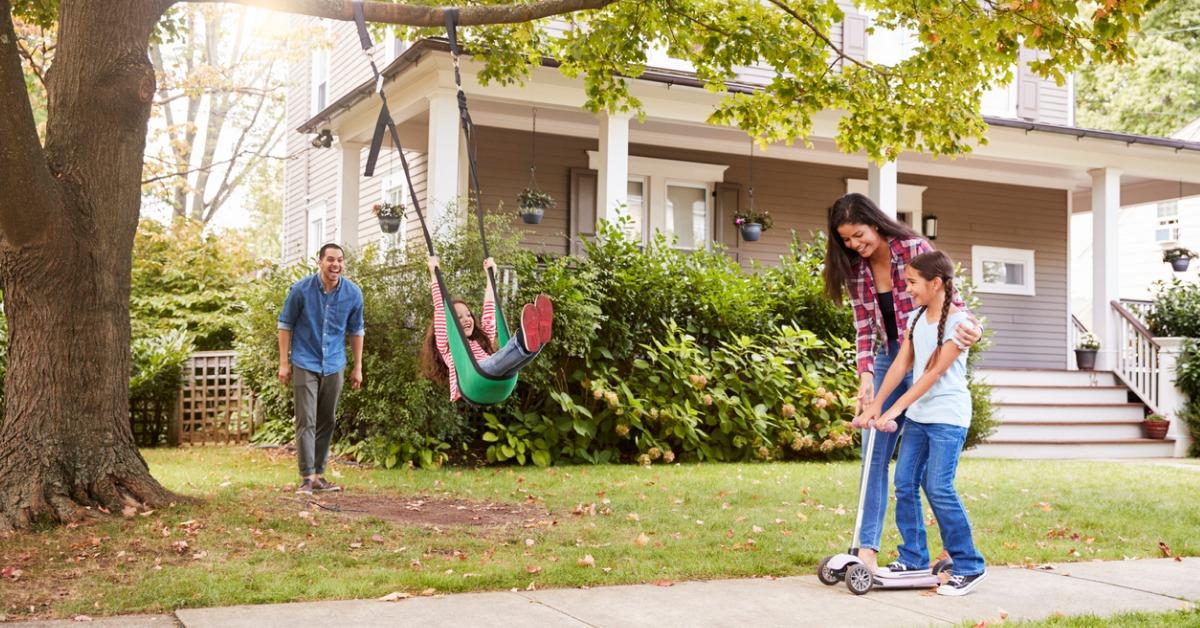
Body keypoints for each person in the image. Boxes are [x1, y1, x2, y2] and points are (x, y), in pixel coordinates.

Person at [823, 192, 982, 572]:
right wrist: (866, 377)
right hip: (889, 358)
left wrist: (971, 327)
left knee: (930, 472)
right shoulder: (855, 268)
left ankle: (952, 552)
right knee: (875, 454)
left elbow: (946, 295)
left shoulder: (912, 248)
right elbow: (864, 326)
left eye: (859, 236)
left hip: (926, 350)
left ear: (875, 224)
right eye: (845, 240)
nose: (854, 245)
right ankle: (867, 549)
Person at [855, 250, 988, 596]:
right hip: (919, 418)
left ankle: (969, 565)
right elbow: (901, 365)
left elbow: (932, 373)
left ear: (936, 283)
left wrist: (893, 411)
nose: (908, 288)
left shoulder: (960, 325)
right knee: (904, 483)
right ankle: (913, 556)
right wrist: (876, 406)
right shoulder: (915, 319)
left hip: (947, 418)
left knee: (939, 487)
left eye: (913, 282)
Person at [277, 243, 364, 495]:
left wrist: (357, 367)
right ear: (320, 262)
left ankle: (318, 475)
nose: (335, 264)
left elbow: (356, 331)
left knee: (327, 419)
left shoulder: (353, 293)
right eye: (330, 260)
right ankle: (307, 477)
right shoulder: (301, 290)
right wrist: (284, 363)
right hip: (305, 361)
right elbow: (285, 325)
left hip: (334, 363)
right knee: (307, 420)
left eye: (339, 260)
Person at [420, 255, 552, 402]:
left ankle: (538, 338)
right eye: (459, 317)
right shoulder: (447, 345)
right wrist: (433, 274)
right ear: (449, 324)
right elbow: (440, 308)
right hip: (474, 382)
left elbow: (489, 312)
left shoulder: (481, 340)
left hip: (501, 381)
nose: (466, 319)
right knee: (494, 361)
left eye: (468, 315)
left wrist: (491, 277)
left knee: (513, 361)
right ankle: (522, 339)